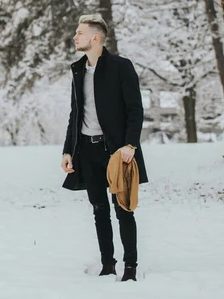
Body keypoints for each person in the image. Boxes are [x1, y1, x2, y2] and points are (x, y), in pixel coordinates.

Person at [61, 14, 148, 282]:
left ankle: (130, 267)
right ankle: (107, 264)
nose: (75, 37)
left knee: (123, 209)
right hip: (87, 151)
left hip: (117, 151)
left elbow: (135, 110)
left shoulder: (121, 67)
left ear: (95, 37)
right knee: (99, 210)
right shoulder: (78, 69)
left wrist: (130, 144)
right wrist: (68, 150)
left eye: (79, 33)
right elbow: (75, 114)